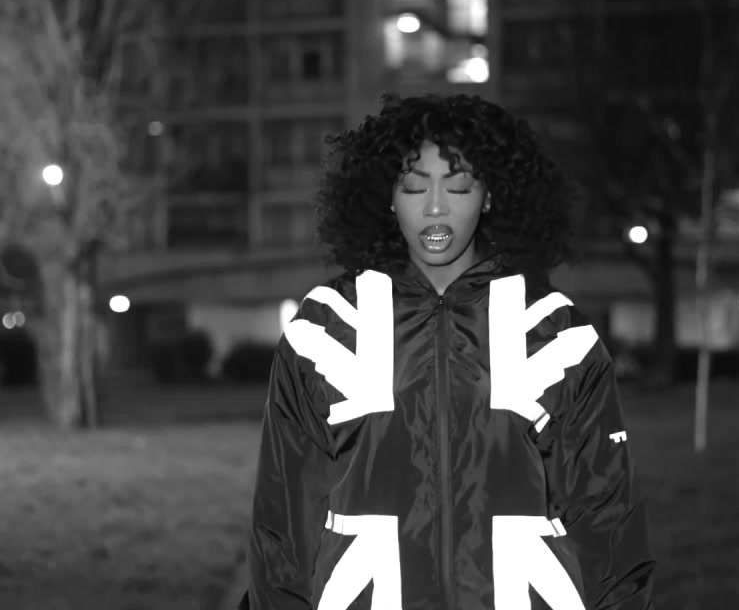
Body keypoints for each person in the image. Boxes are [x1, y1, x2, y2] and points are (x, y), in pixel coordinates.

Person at [239, 94, 655, 609]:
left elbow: (609, 520)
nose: (435, 206)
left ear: (490, 196)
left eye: (458, 187)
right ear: (387, 197)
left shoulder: (555, 331)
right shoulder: (326, 327)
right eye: (414, 186)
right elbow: (281, 523)